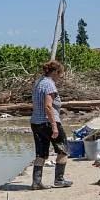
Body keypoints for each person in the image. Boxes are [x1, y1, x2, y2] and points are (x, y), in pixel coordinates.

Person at [29, 60, 73, 189]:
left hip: (36, 122)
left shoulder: (38, 83)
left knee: (41, 153)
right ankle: (59, 180)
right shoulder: (49, 85)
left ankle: (36, 182)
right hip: (47, 122)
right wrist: (54, 125)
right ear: (54, 72)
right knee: (63, 150)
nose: (60, 77)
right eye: (60, 73)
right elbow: (48, 106)